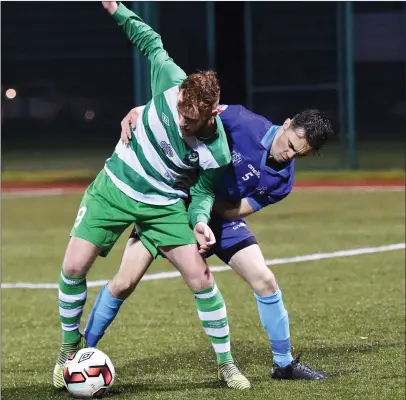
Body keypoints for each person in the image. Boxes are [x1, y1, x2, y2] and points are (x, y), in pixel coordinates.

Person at [54, 1, 251, 391]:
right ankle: (66, 349)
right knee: (74, 267)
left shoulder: (218, 149)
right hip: (114, 188)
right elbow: (150, 40)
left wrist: (198, 219)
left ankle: (227, 365)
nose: (181, 120)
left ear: (212, 112)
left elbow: (203, 191)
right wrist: (115, 8)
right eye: (180, 111)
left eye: (190, 119)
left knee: (201, 277)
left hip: (162, 205)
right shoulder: (171, 80)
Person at [84, 104, 333, 381]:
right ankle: (83, 351)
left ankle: (283, 364)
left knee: (265, 280)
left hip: (220, 216)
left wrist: (205, 212)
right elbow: (188, 106)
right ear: (286, 123)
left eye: (300, 154)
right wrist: (140, 110)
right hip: (173, 207)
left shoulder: (282, 182)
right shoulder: (240, 120)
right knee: (124, 282)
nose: (289, 155)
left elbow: (235, 211)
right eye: (289, 145)